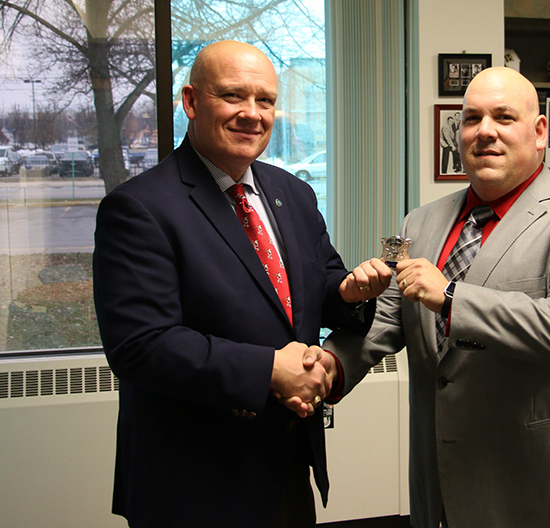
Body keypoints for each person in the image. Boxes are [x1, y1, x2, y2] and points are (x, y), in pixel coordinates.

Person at [322, 67, 550, 527]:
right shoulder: (420, 223)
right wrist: (326, 368)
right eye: (471, 119)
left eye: (504, 117)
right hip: (442, 486)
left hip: (544, 490)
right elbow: (388, 321)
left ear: (539, 132)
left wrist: (450, 296)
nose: (485, 131)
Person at [92, 40, 391, 528]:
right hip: (192, 485)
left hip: (286, 465)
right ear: (191, 101)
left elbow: (315, 288)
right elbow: (141, 346)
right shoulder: (140, 208)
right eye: (233, 96)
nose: (252, 114)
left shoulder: (291, 192)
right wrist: (270, 369)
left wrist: (347, 293)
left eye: (265, 100)